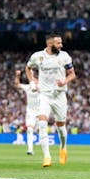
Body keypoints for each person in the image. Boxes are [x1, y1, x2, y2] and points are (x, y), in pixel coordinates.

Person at [26, 32, 76, 167]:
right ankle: (46, 157)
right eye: (58, 43)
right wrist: (32, 80)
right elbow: (28, 67)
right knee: (42, 123)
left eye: (61, 42)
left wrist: (64, 81)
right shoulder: (38, 56)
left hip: (59, 95)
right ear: (50, 43)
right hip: (44, 94)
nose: (61, 45)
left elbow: (72, 74)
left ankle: (63, 147)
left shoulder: (64, 56)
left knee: (61, 127)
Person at [14, 69, 39, 155]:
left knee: (42, 130)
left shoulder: (41, 87)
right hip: (31, 112)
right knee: (29, 129)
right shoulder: (28, 87)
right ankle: (30, 149)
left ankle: (46, 152)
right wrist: (17, 76)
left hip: (41, 112)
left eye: (35, 80)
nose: (34, 81)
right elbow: (17, 85)